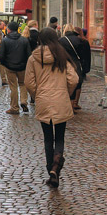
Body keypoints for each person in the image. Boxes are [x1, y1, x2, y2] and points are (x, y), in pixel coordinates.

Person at [25, 28, 80, 187]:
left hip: (43, 100)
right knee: (60, 136)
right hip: (61, 99)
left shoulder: (33, 58)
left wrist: (37, 95)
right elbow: (74, 79)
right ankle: (57, 166)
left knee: (48, 138)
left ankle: (51, 170)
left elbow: (29, 82)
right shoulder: (62, 56)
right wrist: (66, 93)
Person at [0, 20, 32, 114]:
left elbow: (1, 55)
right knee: (23, 84)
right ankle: (23, 101)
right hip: (22, 67)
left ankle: (14, 107)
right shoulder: (24, 40)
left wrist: (4, 63)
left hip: (10, 67)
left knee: (13, 87)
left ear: (8, 30)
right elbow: (29, 54)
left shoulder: (5, 40)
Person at [59, 23, 92, 111]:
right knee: (76, 83)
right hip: (77, 64)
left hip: (64, 64)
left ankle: (66, 104)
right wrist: (86, 68)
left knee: (65, 84)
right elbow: (86, 56)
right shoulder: (81, 40)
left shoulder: (61, 40)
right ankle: (73, 104)